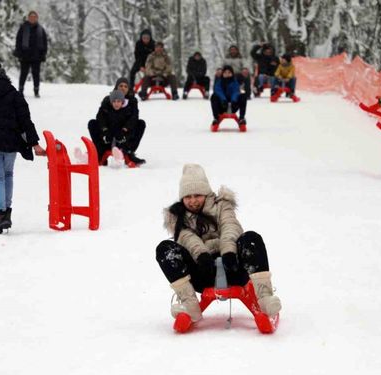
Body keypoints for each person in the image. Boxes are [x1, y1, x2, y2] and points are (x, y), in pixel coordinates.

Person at [156, 164, 282, 323]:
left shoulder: (222, 205)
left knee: (251, 238)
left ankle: (265, 297)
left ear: (206, 193)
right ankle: (189, 303)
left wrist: (229, 251)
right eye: (188, 197)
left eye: (197, 195)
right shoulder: (178, 216)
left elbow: (230, 226)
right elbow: (187, 237)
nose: (193, 201)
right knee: (165, 249)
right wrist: (202, 255)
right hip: (203, 271)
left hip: (233, 266)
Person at [0, 61, 46, 234]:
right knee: (7, 175)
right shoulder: (13, 93)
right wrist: (34, 144)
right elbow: (25, 120)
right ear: (4, 75)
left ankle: (0, 214)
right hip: (10, 141)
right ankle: (6, 214)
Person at [88, 88, 146, 166]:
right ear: (111, 102)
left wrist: (124, 132)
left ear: (122, 102)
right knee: (92, 123)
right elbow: (100, 119)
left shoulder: (126, 110)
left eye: (118, 101)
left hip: (122, 141)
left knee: (138, 124)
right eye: (114, 102)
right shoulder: (106, 109)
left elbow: (131, 123)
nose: (116, 104)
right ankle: (99, 153)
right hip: (107, 140)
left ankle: (126, 153)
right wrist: (105, 131)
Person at [14, 10, 48, 98]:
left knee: (36, 74)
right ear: (28, 18)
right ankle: (20, 91)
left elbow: (45, 43)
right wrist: (19, 52)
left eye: (34, 17)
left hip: (36, 57)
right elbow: (18, 41)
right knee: (23, 74)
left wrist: (43, 54)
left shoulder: (41, 29)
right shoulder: (23, 28)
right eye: (31, 17)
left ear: (37, 18)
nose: (32, 18)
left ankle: (36, 91)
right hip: (25, 56)